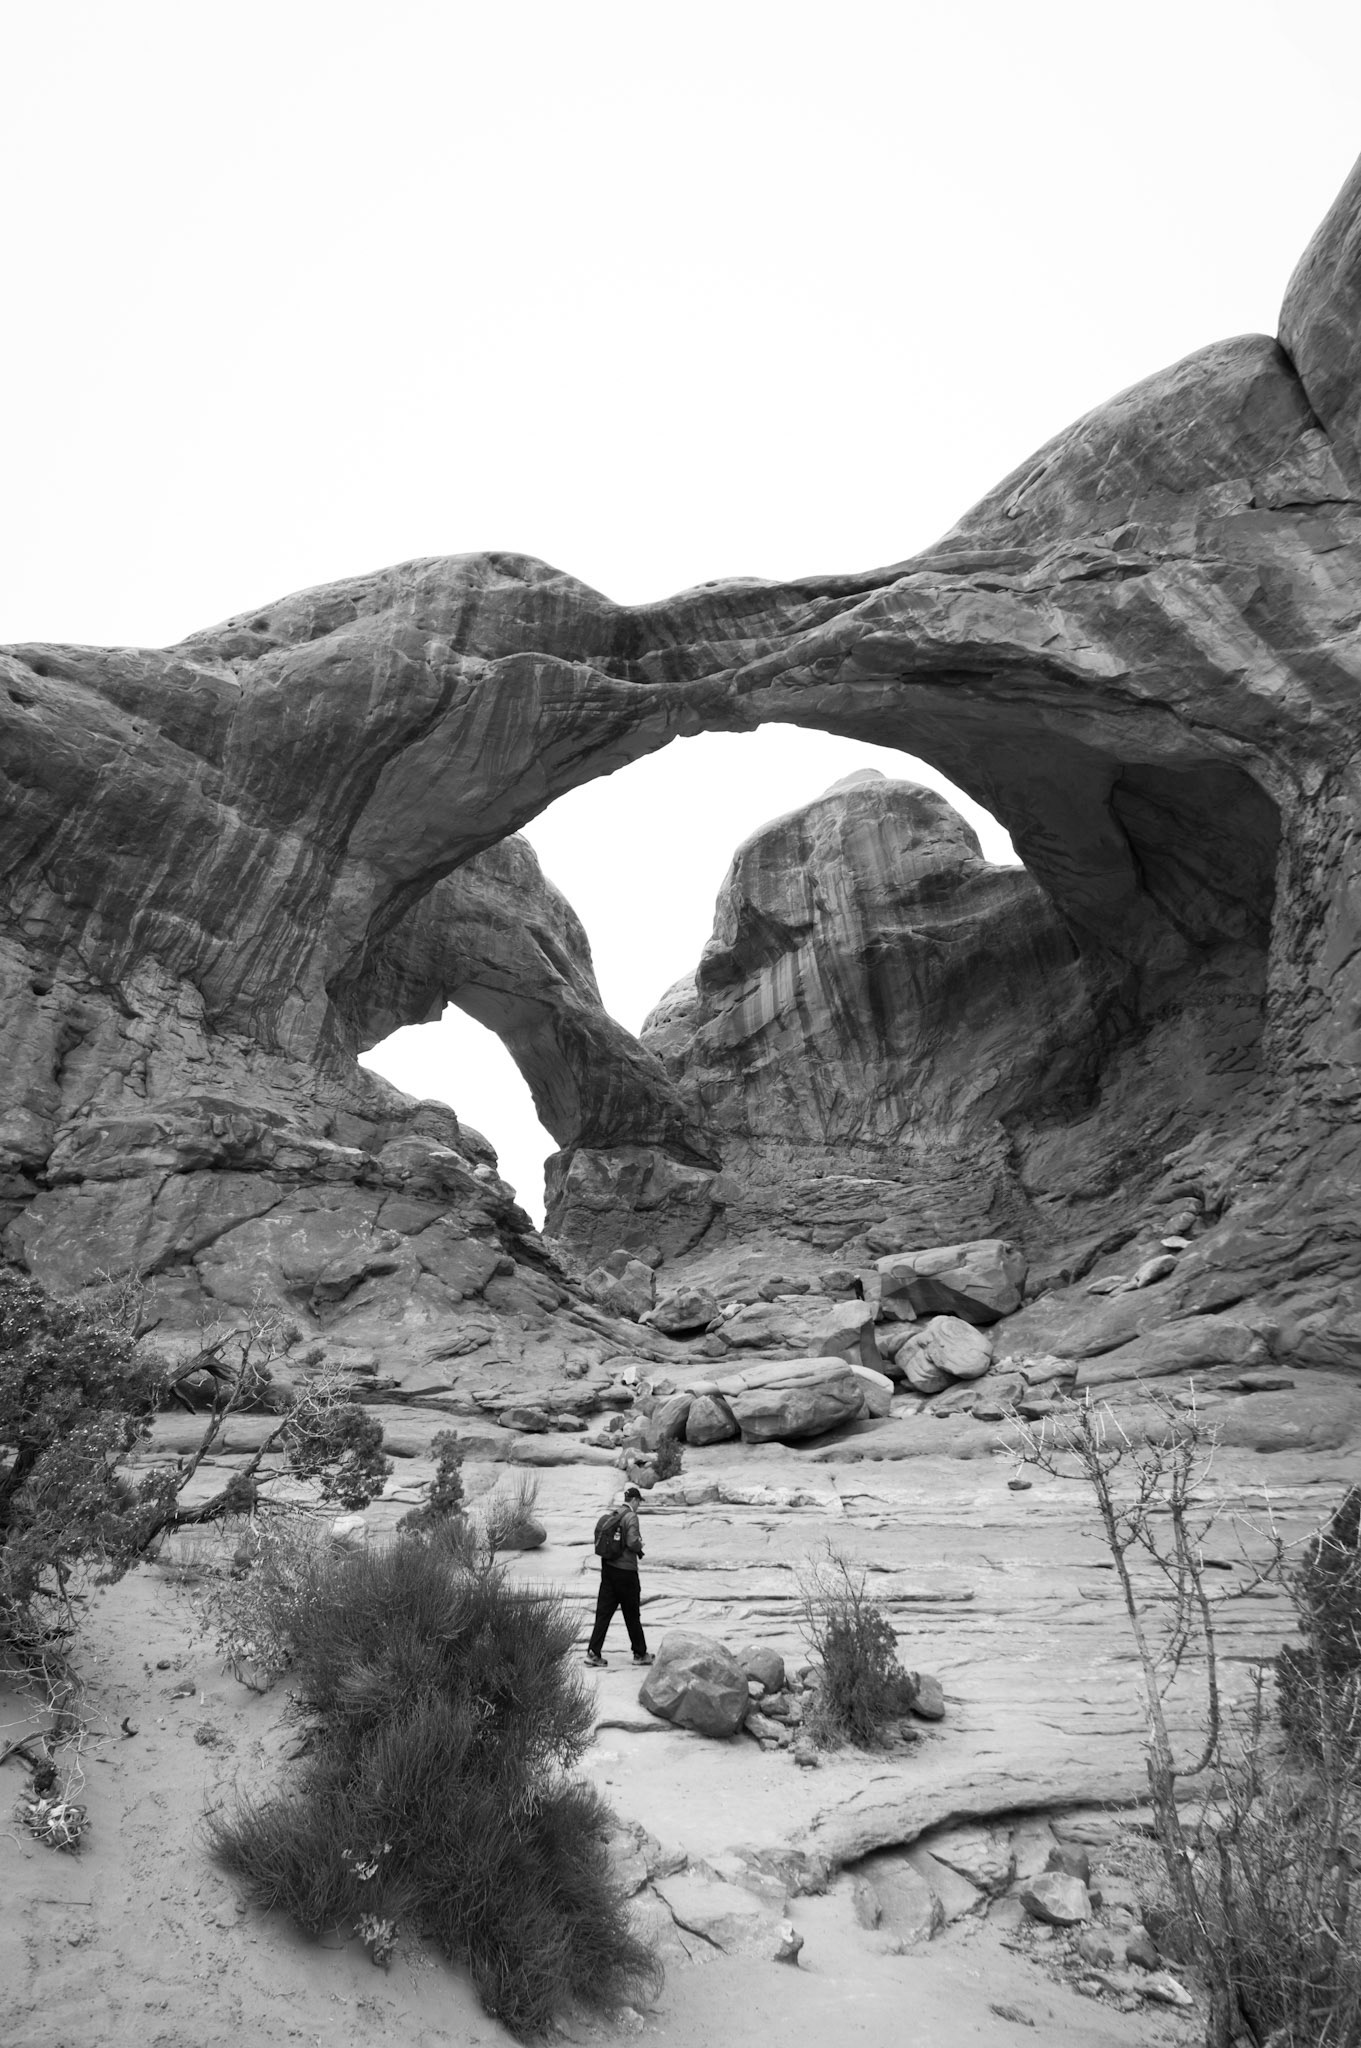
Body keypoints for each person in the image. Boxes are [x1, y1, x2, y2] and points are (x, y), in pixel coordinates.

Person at [584, 1485, 654, 1667]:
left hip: (608, 1569)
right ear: (635, 1500)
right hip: (626, 1572)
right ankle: (640, 1653)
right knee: (631, 1613)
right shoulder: (631, 1516)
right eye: (639, 1502)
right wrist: (640, 1545)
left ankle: (593, 1652)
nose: (639, 1505)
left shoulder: (615, 1513)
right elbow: (632, 1541)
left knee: (604, 1612)